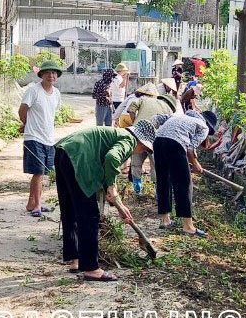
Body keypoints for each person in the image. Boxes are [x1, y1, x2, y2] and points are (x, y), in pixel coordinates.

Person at [55, 120, 155, 281]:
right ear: (140, 140)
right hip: (78, 156)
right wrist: (112, 186)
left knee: (71, 210)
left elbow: (104, 170)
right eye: (143, 147)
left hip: (64, 151)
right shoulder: (128, 139)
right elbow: (112, 158)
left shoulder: (113, 135)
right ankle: (91, 269)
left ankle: (76, 260)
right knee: (90, 215)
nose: (140, 151)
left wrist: (120, 206)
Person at [152, 109, 218, 237]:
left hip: (158, 141)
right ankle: (188, 226)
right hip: (175, 144)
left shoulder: (179, 116)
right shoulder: (203, 126)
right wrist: (196, 164)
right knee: (184, 184)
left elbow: (156, 118)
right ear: (210, 126)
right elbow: (190, 149)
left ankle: (165, 220)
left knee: (163, 180)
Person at [18, 60, 62, 217]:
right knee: (38, 172)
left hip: (49, 139)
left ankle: (32, 203)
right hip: (34, 137)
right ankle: (37, 205)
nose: (51, 75)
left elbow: (52, 114)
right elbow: (22, 110)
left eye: (54, 73)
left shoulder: (56, 93)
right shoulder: (33, 91)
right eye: (48, 72)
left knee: (43, 172)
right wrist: (26, 125)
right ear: (41, 75)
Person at [126, 83, 175, 193]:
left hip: (138, 133)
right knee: (156, 165)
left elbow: (132, 108)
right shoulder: (166, 106)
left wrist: (134, 121)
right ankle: (158, 193)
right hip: (155, 137)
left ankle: (137, 190)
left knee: (136, 163)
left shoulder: (142, 99)